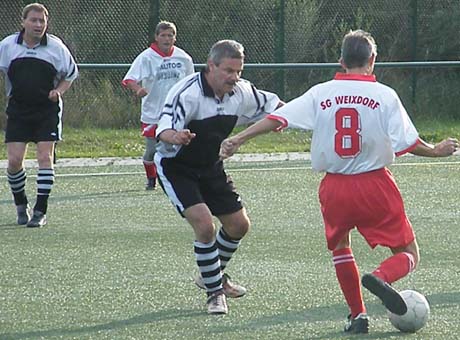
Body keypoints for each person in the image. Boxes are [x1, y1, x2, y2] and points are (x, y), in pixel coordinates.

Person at [219, 30, 458, 332]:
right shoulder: (385, 95)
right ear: (373, 59)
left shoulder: (322, 92)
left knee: (341, 248)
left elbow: (279, 118)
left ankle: (357, 316)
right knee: (409, 253)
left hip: (334, 188)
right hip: (375, 185)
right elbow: (407, 143)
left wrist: (239, 138)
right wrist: (437, 151)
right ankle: (381, 277)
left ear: (341, 60)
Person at [154, 40, 283, 314]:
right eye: (228, 71)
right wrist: (177, 136)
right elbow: (162, 130)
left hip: (210, 165)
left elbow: (275, 106)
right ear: (210, 66)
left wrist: (288, 115)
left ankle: (210, 276)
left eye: (238, 71)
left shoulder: (242, 91)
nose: (234, 77)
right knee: (204, 226)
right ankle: (214, 293)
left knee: (239, 225)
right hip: (176, 167)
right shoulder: (186, 93)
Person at [0, 3, 78, 227]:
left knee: (45, 158)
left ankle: (40, 211)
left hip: (46, 110)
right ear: (23, 22)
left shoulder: (56, 47)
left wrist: (58, 91)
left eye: (41, 21)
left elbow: (71, 74)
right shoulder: (8, 45)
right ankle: (21, 204)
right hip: (18, 109)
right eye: (33, 20)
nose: (38, 25)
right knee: (14, 161)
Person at [122, 21, 194, 190]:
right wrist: (138, 89)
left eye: (170, 35)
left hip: (176, 113)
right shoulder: (146, 57)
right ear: (156, 37)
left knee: (176, 147)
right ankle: (151, 178)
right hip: (153, 113)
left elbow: (190, 82)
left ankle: (172, 178)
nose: (167, 39)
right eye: (163, 35)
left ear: (175, 38)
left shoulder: (183, 58)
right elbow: (129, 79)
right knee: (152, 150)